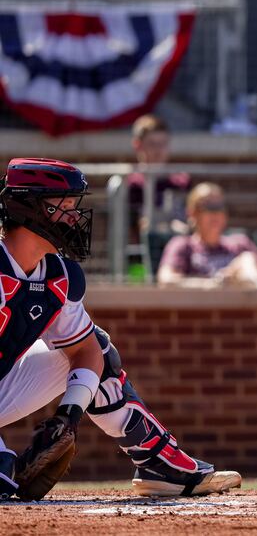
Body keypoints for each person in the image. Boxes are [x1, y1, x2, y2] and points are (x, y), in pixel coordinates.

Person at [0, 158, 240, 500]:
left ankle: (159, 464)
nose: (73, 216)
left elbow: (85, 352)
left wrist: (67, 417)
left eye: (73, 206)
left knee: (96, 345)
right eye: (63, 206)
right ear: (28, 208)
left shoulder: (58, 275)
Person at [157, 183, 257, 289]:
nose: (216, 213)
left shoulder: (239, 242)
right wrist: (215, 283)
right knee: (245, 262)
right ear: (192, 213)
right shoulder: (183, 245)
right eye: (209, 207)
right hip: (214, 310)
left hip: (250, 298)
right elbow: (166, 280)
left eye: (220, 207)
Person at [126, 114, 190, 239]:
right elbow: (137, 226)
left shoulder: (181, 181)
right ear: (137, 145)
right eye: (152, 144)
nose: (158, 150)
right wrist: (169, 227)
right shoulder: (132, 184)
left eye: (163, 144)